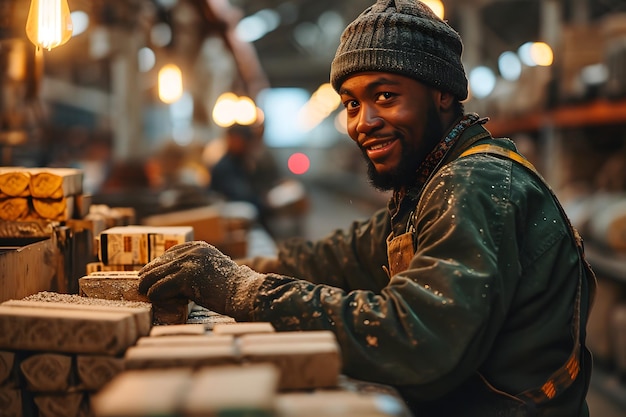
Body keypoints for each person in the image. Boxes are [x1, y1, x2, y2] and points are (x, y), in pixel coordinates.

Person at [138, 1, 597, 415]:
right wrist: (228, 272)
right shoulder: (427, 188)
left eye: (386, 96)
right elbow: (337, 258)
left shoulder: (473, 184)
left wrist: (245, 291)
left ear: (442, 94)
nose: (365, 122)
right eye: (352, 104)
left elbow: (418, 339)